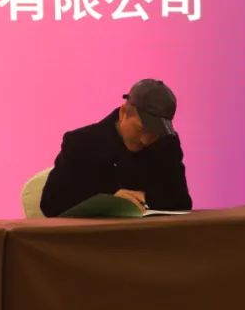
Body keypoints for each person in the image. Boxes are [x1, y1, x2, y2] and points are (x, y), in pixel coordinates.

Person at [39, 78, 192, 217]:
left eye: (154, 134)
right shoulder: (81, 143)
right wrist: (110, 201)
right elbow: (51, 204)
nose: (146, 140)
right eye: (141, 130)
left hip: (148, 236)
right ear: (123, 113)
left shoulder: (166, 144)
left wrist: (146, 198)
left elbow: (182, 203)